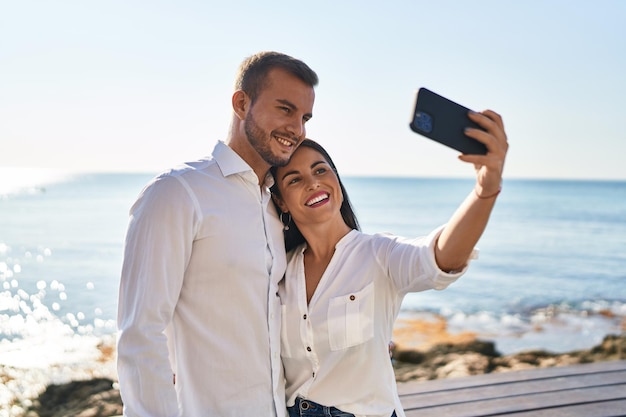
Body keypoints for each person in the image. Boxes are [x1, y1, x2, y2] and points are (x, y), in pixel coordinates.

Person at [116, 51, 318, 417]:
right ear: (242, 103)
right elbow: (141, 334)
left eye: (304, 118)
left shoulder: (277, 206)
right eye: (285, 109)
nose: (297, 130)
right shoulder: (178, 192)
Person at [270, 110, 508, 417]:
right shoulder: (277, 269)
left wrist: (485, 190)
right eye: (294, 179)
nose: (313, 184)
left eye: (320, 171)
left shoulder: (379, 254)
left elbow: (440, 256)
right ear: (280, 202)